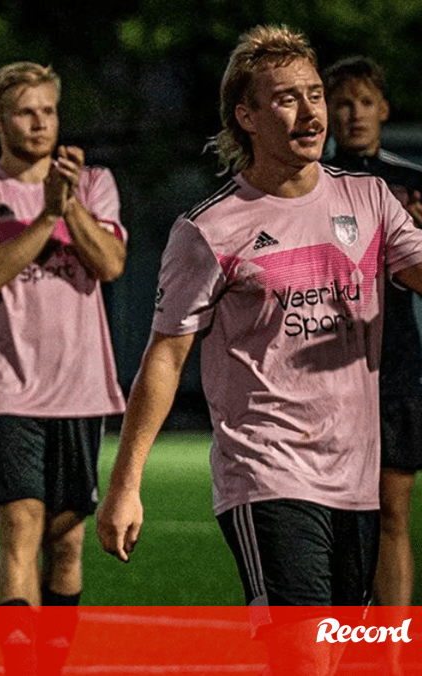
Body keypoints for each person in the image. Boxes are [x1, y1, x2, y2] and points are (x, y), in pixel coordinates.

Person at [96, 25, 422, 676]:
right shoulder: (211, 228)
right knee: (300, 657)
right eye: (285, 99)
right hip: (266, 472)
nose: (309, 112)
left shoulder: (369, 199)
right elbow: (165, 356)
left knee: (336, 660)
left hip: (355, 479)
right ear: (245, 115)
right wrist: (124, 485)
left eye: (313, 95)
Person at [0, 61, 127, 676]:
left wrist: (68, 208)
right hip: (10, 386)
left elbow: (111, 264)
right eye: (26, 111)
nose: (41, 122)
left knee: (68, 542)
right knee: (21, 523)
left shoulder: (94, 183)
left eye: (48, 110)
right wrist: (46, 215)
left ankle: (52, 664)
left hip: (81, 387)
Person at [322, 55, 422, 676]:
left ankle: (390, 656)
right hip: (327, 363)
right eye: (342, 101)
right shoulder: (314, 181)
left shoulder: (410, 182)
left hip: (396, 363)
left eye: (364, 100)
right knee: (330, 512)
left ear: (384, 108)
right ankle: (334, 644)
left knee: (391, 510)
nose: (353, 112)